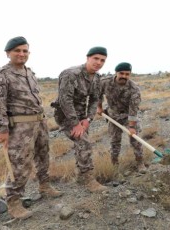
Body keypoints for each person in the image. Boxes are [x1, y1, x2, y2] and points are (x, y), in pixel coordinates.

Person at [0, 36, 62, 220]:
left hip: (39, 123)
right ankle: (14, 202)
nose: (22, 54)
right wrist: (2, 129)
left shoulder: (29, 73)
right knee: (20, 164)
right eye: (17, 51)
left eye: (25, 51)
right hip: (19, 128)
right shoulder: (1, 74)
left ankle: (44, 186)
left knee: (43, 156)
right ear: (8, 53)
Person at [52, 47, 108, 192]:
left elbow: (95, 100)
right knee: (85, 143)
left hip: (82, 116)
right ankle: (88, 179)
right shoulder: (71, 74)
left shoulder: (96, 78)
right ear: (88, 58)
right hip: (65, 115)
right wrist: (75, 123)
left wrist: (88, 119)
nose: (99, 62)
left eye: (102, 60)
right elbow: (65, 100)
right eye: (96, 58)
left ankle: (79, 176)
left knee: (81, 144)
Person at [96, 62, 147, 173]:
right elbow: (98, 94)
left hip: (128, 116)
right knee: (114, 141)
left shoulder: (134, 88)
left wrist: (132, 126)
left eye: (127, 74)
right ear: (116, 73)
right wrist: (99, 107)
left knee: (135, 140)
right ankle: (114, 164)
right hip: (113, 115)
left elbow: (133, 109)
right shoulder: (105, 82)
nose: (124, 76)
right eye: (121, 73)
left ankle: (140, 162)